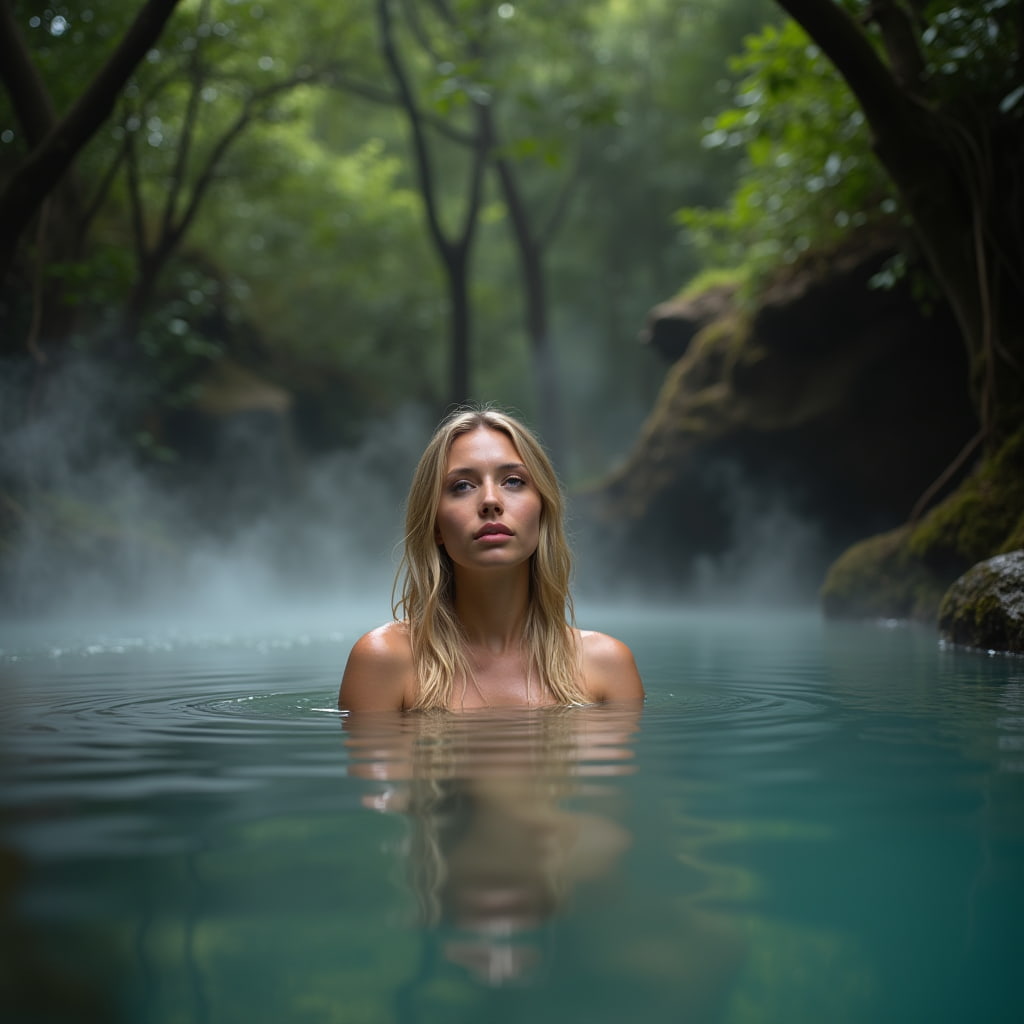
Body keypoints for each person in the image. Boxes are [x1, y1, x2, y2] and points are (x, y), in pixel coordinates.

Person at [338, 405, 644, 711]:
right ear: (435, 526)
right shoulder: (385, 661)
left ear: (543, 512)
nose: (490, 500)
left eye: (512, 481)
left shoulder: (607, 666)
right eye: (462, 486)